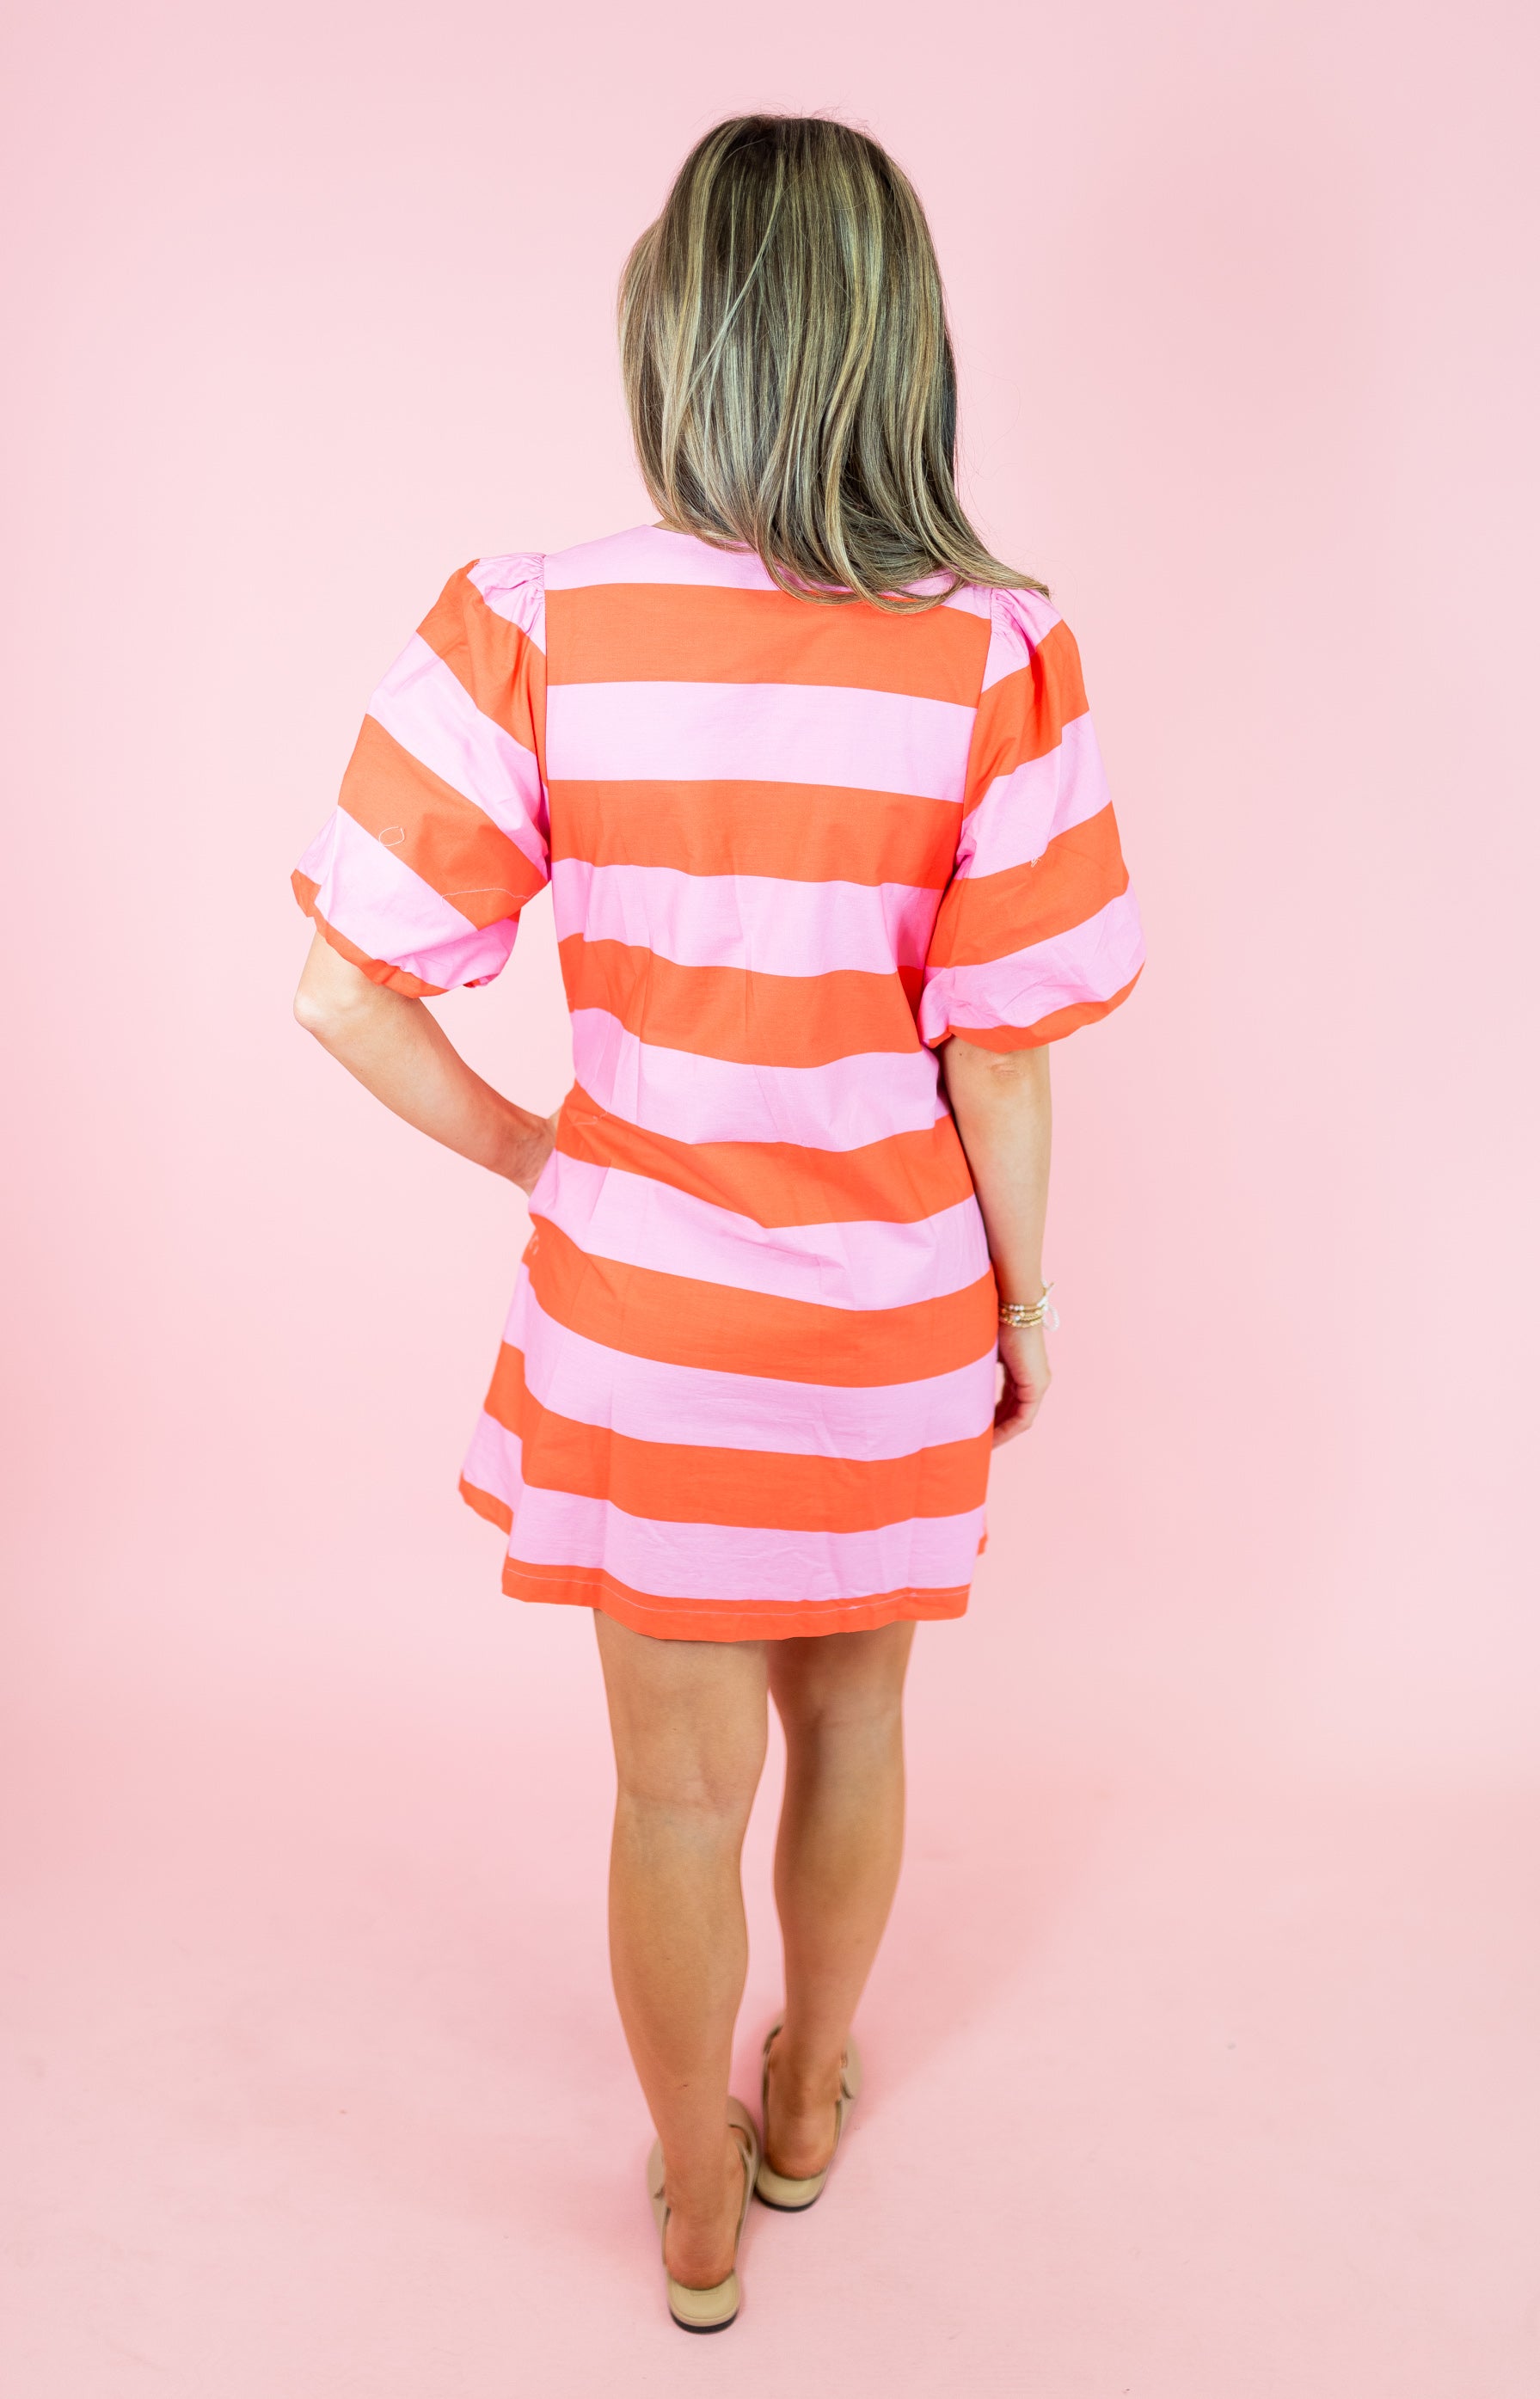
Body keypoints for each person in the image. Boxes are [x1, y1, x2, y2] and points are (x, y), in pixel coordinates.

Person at [291, 113, 1143, 2333]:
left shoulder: (539, 622)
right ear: (899, 337)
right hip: (886, 1315)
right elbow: (1005, 1055)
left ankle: (687, 2204)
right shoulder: (1001, 655)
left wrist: (535, 1153)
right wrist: (1027, 1304)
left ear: (679, 331)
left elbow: (341, 986)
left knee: (671, 1796)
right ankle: (804, 2105)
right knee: (857, 1731)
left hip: (640, 1313)